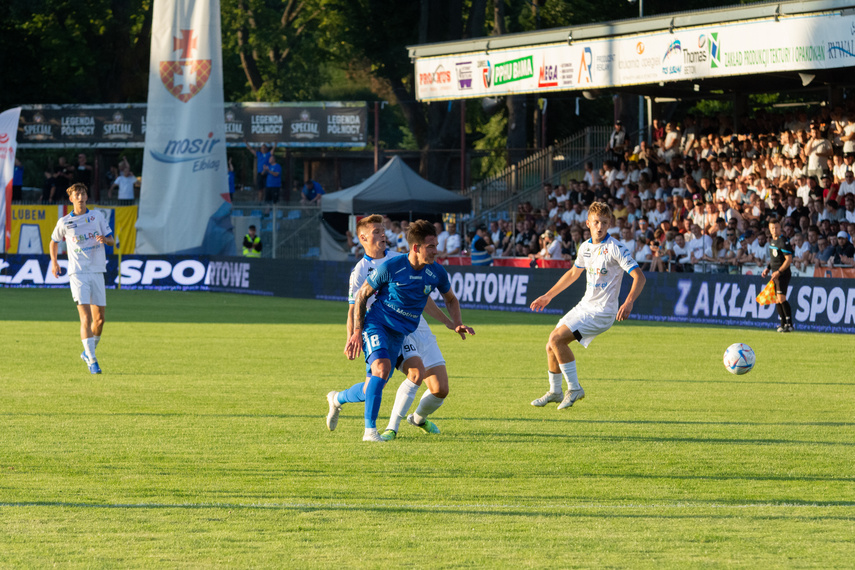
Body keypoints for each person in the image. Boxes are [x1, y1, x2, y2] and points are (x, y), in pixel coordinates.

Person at [327, 215, 475, 441]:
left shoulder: (410, 261)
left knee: (385, 383)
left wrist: (452, 323)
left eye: (382, 229)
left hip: (408, 327)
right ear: (363, 238)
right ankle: (375, 432)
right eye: (376, 231)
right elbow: (357, 301)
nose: (382, 234)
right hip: (378, 325)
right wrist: (353, 335)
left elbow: (426, 295)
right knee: (382, 372)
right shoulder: (368, 269)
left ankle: (338, 399)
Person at [529, 202, 646, 410]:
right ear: (588, 223)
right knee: (551, 345)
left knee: (557, 339)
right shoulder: (585, 247)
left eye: (603, 222)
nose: (599, 226)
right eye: (596, 222)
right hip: (585, 307)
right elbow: (574, 273)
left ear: (609, 224)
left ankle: (574, 389)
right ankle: (555, 392)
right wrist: (548, 296)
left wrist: (629, 302)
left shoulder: (616, 248)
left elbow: (640, 277)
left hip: (602, 313)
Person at [49, 183, 115, 374]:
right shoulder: (65, 222)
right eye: (76, 194)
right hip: (78, 273)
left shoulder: (97, 216)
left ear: (87, 197)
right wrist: (55, 262)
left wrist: (105, 239)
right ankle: (93, 361)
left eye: (83, 193)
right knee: (85, 317)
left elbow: (112, 239)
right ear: (71, 199)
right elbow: (54, 241)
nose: (80, 196)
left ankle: (87, 352)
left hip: (97, 271)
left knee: (100, 320)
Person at [761, 220, 794, 332]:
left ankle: (789, 324)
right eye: (772, 228)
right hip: (775, 274)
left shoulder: (783, 241)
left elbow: (788, 259)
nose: (774, 230)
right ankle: (782, 323)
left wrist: (779, 272)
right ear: (769, 230)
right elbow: (774, 260)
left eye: (776, 228)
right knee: (777, 300)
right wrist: (768, 269)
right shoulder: (772, 242)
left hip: (783, 274)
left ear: (780, 228)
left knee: (781, 298)